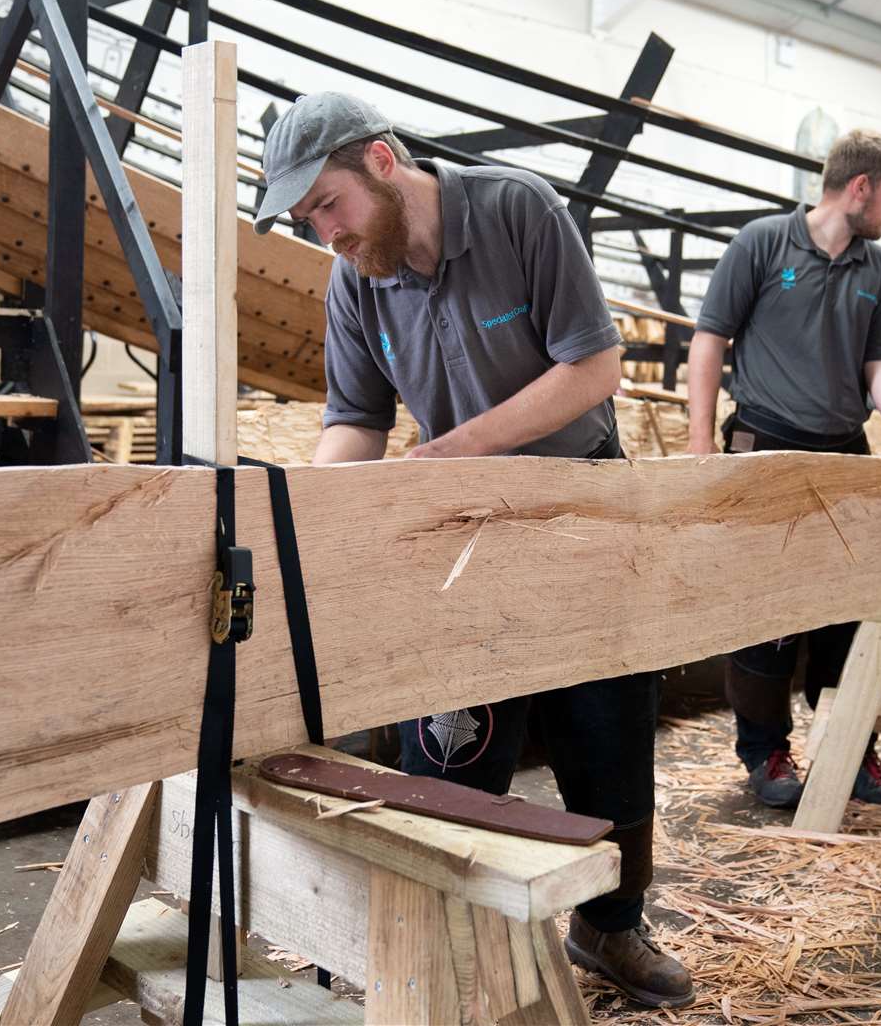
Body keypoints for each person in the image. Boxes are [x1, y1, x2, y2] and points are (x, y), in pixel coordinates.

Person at [252, 92, 694, 1008]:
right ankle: (441, 941)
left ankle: (610, 927)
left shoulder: (516, 211)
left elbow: (594, 367)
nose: (323, 232)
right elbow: (354, 420)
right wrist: (310, 524)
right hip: (464, 535)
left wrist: (455, 449)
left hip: (580, 510)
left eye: (327, 205)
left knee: (608, 730)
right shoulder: (354, 281)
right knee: (452, 739)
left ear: (381, 160)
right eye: (306, 220)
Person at [685, 129, 881, 812]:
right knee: (766, 610)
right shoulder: (763, 244)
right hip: (765, 442)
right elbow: (710, 338)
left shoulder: (880, 271)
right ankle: (765, 750)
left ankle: (853, 747)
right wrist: (697, 443)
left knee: (850, 611)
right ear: (860, 187)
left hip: (842, 450)